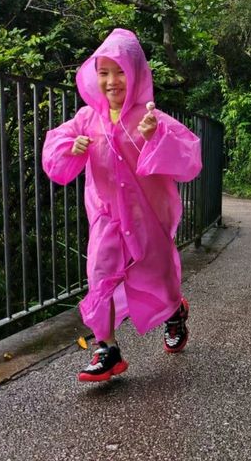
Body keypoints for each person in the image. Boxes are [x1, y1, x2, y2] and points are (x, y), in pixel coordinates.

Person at [42, 28, 202, 382]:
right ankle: (107, 349)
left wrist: (153, 136)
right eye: (103, 73)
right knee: (100, 273)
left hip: (147, 215)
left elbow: (189, 153)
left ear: (135, 74)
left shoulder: (149, 118)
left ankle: (175, 310)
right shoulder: (87, 118)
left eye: (119, 72)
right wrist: (72, 147)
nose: (112, 81)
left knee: (158, 273)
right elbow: (55, 147)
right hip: (106, 214)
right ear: (93, 76)